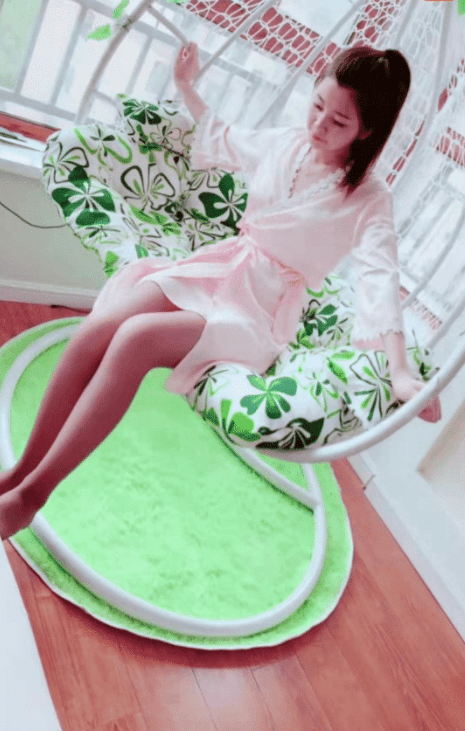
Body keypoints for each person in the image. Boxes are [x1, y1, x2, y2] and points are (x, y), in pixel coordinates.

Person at [0, 42, 441, 539]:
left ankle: (34, 496)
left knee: (136, 339)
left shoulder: (368, 198)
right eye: (318, 105)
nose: (319, 125)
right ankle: (19, 474)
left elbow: (381, 277)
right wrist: (186, 85)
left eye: (338, 121)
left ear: (367, 131)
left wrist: (399, 372)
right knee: (99, 327)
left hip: (260, 311)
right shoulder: (288, 143)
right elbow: (223, 137)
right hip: (220, 269)